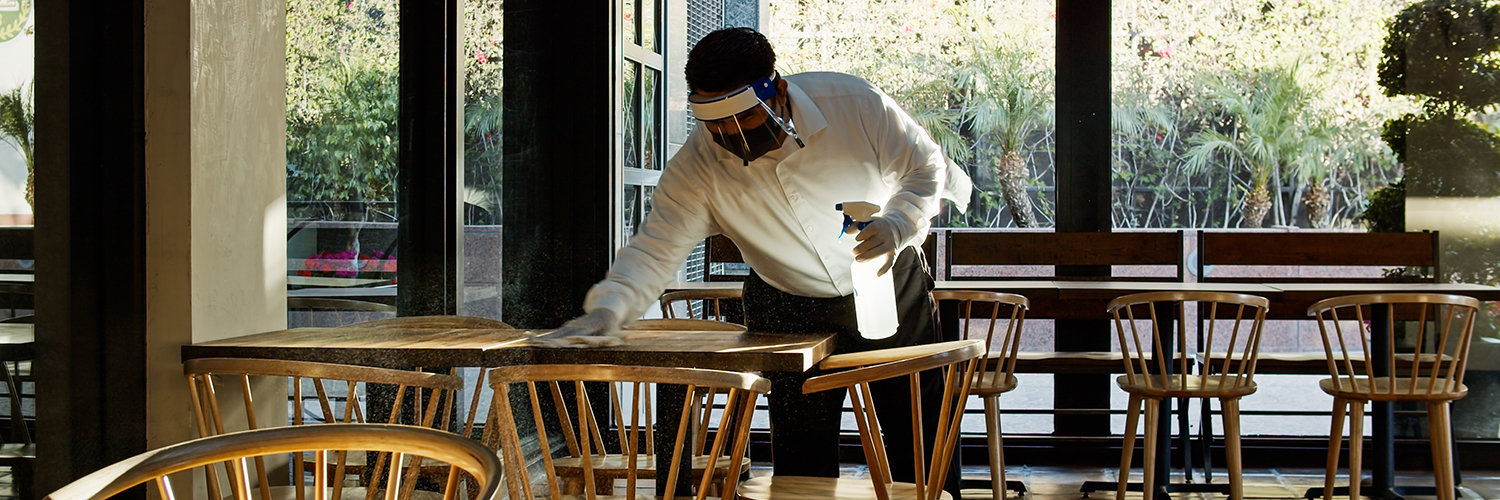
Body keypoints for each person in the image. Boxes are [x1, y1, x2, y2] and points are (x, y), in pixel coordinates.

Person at [546, 27, 972, 494]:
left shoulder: (854, 103)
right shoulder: (697, 168)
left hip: (887, 281)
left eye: (745, 118)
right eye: (717, 126)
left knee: (919, 431)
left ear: (779, 91)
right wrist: (609, 308)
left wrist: (898, 222)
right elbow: (656, 246)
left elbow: (927, 166)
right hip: (786, 303)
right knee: (800, 461)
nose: (732, 135)